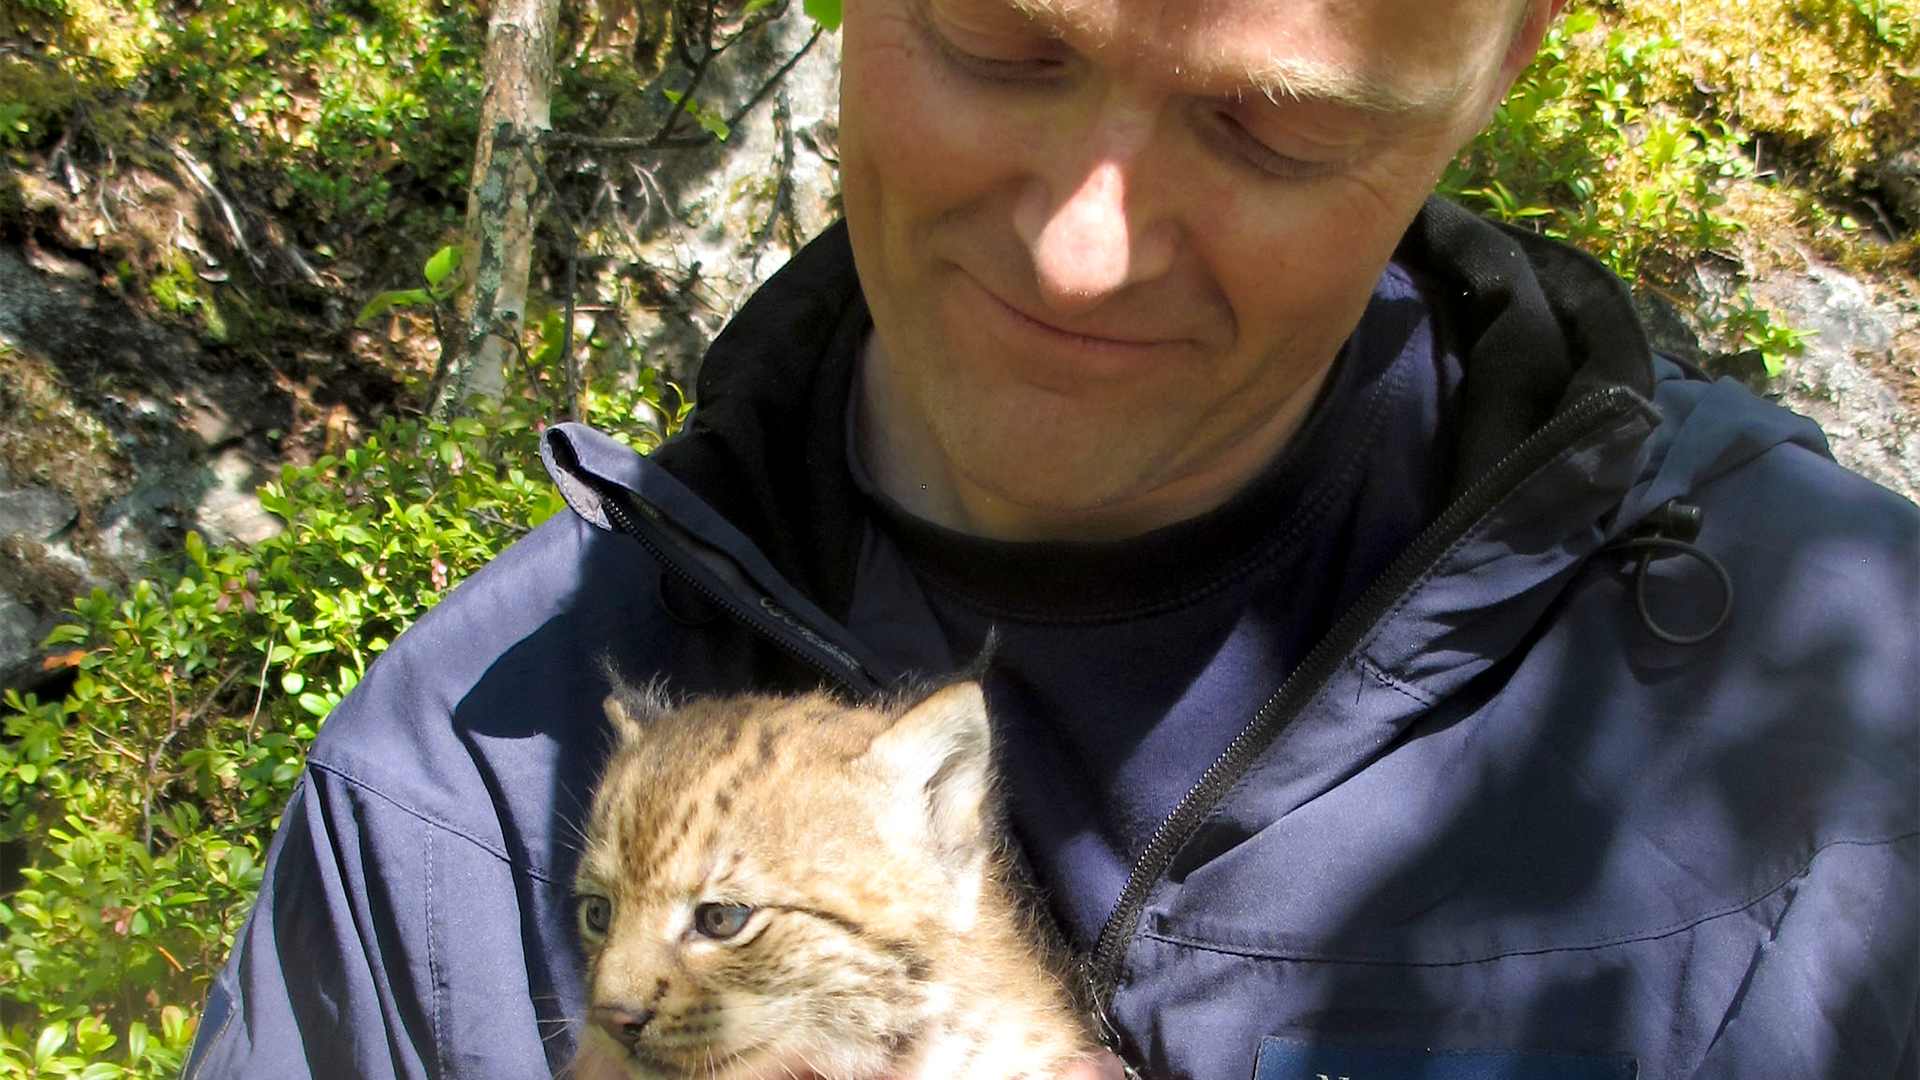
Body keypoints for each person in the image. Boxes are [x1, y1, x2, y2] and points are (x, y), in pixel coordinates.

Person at [184, 0, 1920, 1074]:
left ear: (1502, 55)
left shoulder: (1846, 721)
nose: (1082, 253)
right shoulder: (455, 776)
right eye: (1000, 44)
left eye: (1276, 123)